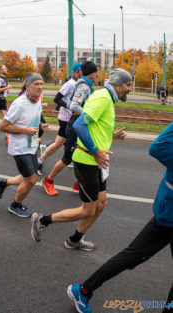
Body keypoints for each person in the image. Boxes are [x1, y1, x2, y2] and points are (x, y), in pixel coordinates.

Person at [67, 122, 173, 313]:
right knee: (130, 255)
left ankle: (83, 290)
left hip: (167, 211)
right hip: (169, 214)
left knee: (130, 256)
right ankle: (82, 289)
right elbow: (158, 147)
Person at [30, 69, 132, 250]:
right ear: (117, 84)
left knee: (101, 203)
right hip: (87, 161)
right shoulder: (103, 98)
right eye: (128, 84)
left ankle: (75, 240)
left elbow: (95, 126)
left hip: (98, 163)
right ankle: (42, 220)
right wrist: (95, 151)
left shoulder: (106, 97)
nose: (130, 89)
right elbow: (79, 125)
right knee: (88, 209)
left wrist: (113, 135)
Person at [0, 73, 48, 217]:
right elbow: (3, 126)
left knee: (28, 176)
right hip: (20, 147)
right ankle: (15, 205)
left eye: (42, 84)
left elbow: (30, 120)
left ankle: (2, 183)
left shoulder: (37, 101)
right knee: (31, 180)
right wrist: (25, 130)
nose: (40, 87)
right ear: (28, 86)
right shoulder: (19, 103)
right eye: (36, 84)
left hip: (32, 144)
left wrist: (41, 125)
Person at [41, 61, 98, 196]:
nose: (97, 75)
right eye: (96, 72)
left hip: (80, 124)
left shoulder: (87, 86)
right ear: (91, 73)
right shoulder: (83, 87)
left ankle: (79, 183)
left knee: (84, 154)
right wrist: (88, 115)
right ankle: (48, 180)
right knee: (68, 158)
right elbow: (74, 106)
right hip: (74, 125)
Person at [37, 63, 82, 175]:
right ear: (77, 72)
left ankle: (40, 160)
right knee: (73, 142)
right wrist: (70, 107)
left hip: (70, 118)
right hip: (66, 118)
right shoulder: (70, 84)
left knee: (59, 143)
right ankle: (71, 162)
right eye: (82, 71)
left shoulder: (78, 84)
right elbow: (57, 99)